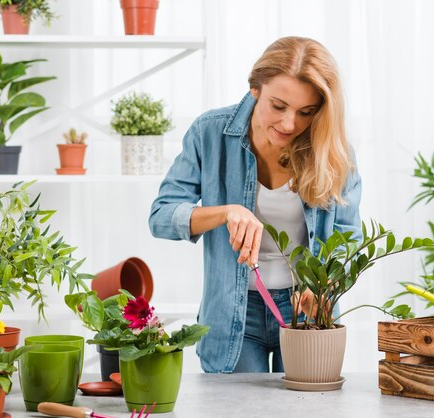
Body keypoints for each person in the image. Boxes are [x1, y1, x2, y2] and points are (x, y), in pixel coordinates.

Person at [148, 36, 362, 373]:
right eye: (278, 106)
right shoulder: (210, 133)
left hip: (305, 311)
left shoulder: (333, 152)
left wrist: (325, 287)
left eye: (306, 112)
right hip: (233, 313)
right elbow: (161, 217)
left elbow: (348, 239)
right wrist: (226, 211)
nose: (290, 124)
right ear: (255, 89)